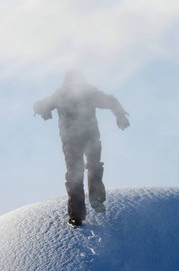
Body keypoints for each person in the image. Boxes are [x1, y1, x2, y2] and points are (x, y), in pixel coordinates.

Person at [34, 70, 130, 227]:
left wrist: (42, 111)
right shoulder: (88, 92)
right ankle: (96, 198)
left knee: (75, 174)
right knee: (93, 166)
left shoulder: (61, 95)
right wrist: (120, 116)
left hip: (71, 140)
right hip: (89, 136)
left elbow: (40, 105)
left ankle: (77, 215)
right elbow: (110, 101)